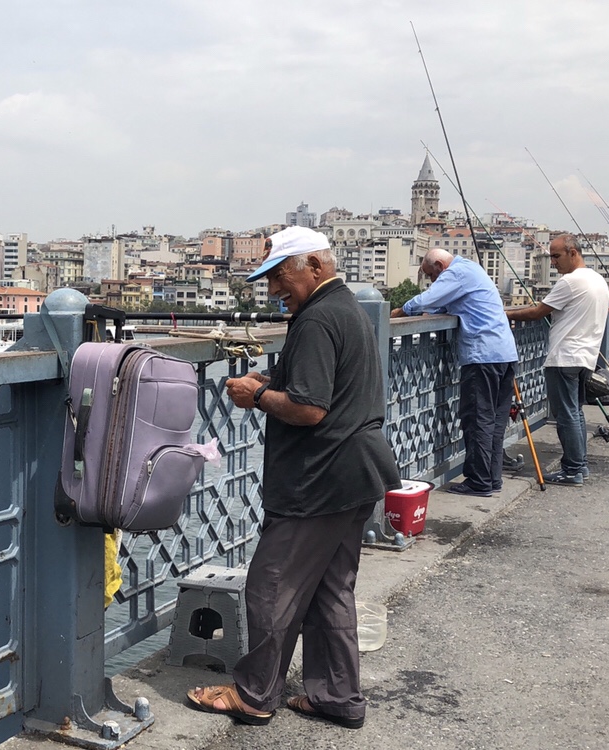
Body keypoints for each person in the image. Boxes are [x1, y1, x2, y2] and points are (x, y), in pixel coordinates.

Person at [186, 226, 401, 729]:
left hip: (319, 480)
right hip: (356, 474)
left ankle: (254, 694)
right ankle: (337, 697)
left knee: (271, 585)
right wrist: (273, 381)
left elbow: (309, 409)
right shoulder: (346, 308)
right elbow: (324, 386)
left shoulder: (317, 318)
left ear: (316, 267)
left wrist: (256, 395)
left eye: (281, 275)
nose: (274, 288)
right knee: (330, 592)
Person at [391, 248, 518, 497]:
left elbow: (426, 300)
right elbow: (442, 306)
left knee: (478, 419)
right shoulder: (472, 269)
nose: (432, 280)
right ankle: (491, 478)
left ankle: (479, 482)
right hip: (505, 353)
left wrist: (399, 312)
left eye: (431, 275)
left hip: (482, 356)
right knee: (495, 421)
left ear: (440, 266)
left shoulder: (456, 273)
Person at [505, 234, 609, 485]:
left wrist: (504, 313)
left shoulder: (570, 282)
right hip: (586, 356)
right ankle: (579, 466)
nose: (553, 262)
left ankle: (572, 470)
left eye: (556, 256)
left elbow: (537, 312)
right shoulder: (598, 279)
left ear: (573, 253)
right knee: (576, 412)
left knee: (566, 416)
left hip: (565, 357)